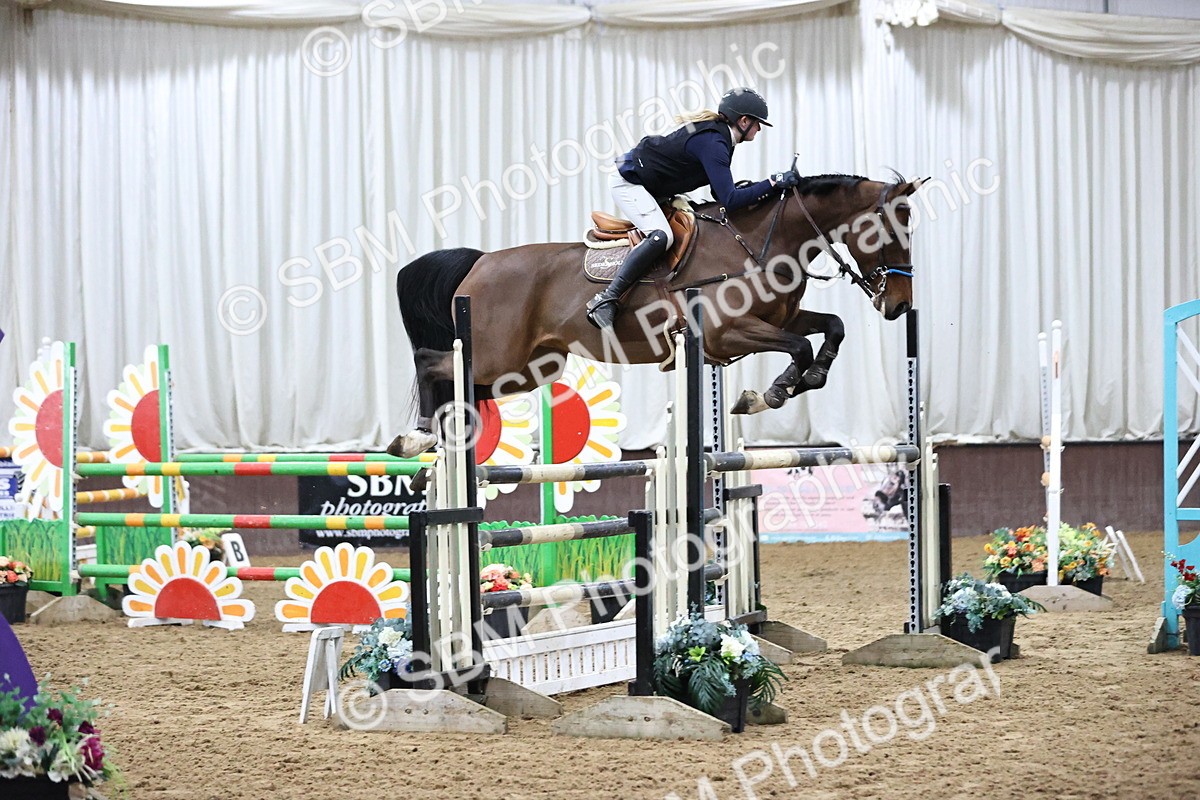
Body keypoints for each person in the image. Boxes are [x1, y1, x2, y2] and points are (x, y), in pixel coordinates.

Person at [586, 87, 801, 330]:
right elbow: (729, 200)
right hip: (629, 183)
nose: (759, 129)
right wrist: (772, 183)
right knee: (662, 236)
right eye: (757, 123)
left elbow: (719, 195)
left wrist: (761, 188)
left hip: (653, 187)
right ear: (743, 121)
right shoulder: (715, 142)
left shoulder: (720, 138)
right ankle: (606, 299)